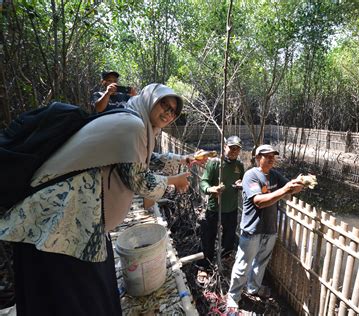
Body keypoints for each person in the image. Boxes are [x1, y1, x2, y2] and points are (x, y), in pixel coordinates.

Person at [0, 83, 206, 316]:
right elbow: (138, 180)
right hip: (60, 221)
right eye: (164, 105)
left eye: (173, 111)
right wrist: (174, 181)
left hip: (80, 220)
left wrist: (184, 158)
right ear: (149, 99)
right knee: (75, 298)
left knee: (89, 292)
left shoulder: (134, 120)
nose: (168, 113)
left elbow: (143, 160)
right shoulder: (134, 126)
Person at [225, 144, 304, 313]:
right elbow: (259, 201)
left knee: (261, 262)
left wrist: (298, 184)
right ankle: (233, 297)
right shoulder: (251, 175)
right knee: (242, 265)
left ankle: (253, 288)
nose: (271, 159)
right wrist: (285, 190)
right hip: (252, 229)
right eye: (267, 156)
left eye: (273, 156)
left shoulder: (274, 175)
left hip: (270, 228)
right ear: (257, 158)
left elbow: (290, 188)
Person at [196, 136, 245, 282]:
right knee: (208, 236)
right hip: (214, 207)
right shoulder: (214, 163)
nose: (234, 151)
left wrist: (240, 184)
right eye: (231, 148)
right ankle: (204, 266)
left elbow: (242, 180)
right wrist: (211, 189)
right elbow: (203, 182)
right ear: (225, 147)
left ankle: (224, 259)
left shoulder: (239, 165)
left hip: (231, 208)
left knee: (229, 237)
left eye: (237, 148)